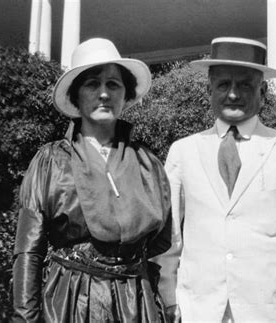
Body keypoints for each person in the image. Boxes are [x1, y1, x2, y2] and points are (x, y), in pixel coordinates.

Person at [154, 37, 276, 322]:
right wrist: (170, 298)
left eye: (245, 84)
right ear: (209, 89)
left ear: (263, 90)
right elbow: (168, 238)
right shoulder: (183, 151)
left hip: (272, 311)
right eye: (223, 84)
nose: (233, 94)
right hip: (199, 309)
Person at [12, 38, 172, 322]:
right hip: (70, 302)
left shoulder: (148, 163)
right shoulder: (51, 161)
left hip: (136, 303)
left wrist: (164, 306)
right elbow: (29, 251)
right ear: (76, 95)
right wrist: (25, 317)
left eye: (113, 84)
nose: (103, 94)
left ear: (125, 94)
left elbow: (162, 249)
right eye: (92, 84)